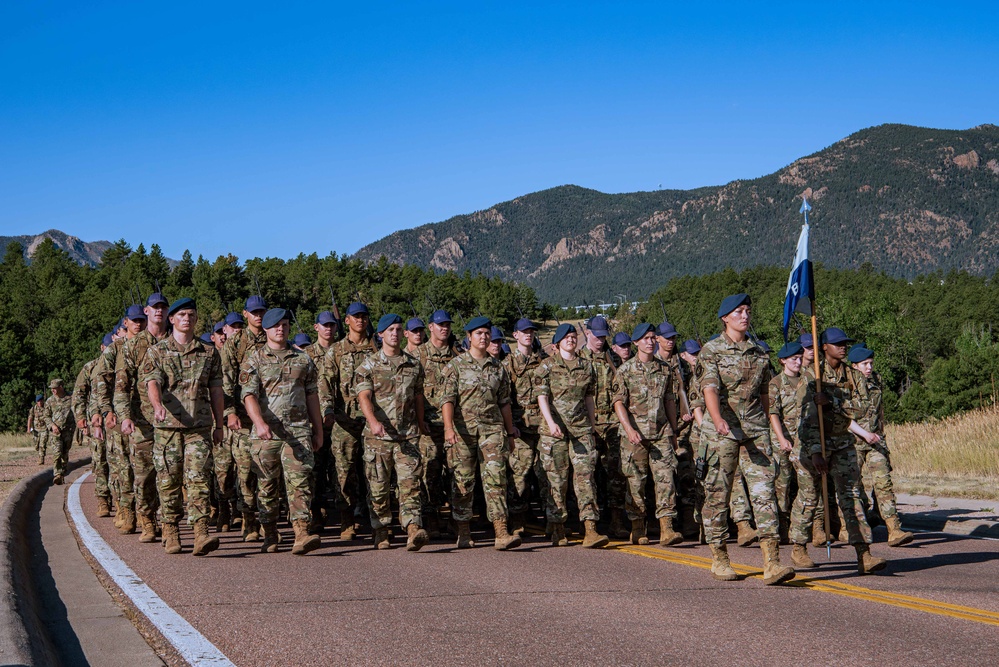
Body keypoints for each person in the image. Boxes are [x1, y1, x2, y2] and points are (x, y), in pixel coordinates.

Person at [698, 294, 794, 585]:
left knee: (764, 494)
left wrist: (769, 423)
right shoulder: (711, 350)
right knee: (718, 495)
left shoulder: (759, 352)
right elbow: (710, 388)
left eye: (748, 311)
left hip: (755, 431)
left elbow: (765, 394)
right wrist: (717, 420)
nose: (745, 315)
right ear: (725, 318)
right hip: (722, 432)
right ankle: (719, 557)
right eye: (738, 311)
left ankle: (772, 562)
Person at [796, 327, 888, 575]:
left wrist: (832, 402)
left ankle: (863, 554)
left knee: (852, 497)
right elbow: (804, 419)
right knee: (809, 499)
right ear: (824, 347)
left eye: (844, 343)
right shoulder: (811, 376)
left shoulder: (853, 374)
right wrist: (815, 451)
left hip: (843, 443)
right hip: (813, 444)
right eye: (837, 344)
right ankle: (798, 546)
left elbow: (861, 408)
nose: (843, 347)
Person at [144, 298, 225, 556]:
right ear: (172, 320)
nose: (186, 319)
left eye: (191, 315)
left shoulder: (209, 352)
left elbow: (216, 389)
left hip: (198, 426)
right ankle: (170, 530)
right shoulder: (157, 351)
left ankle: (201, 532)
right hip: (167, 428)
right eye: (181, 315)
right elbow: (152, 382)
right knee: (169, 481)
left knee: (198, 477)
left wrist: (220, 423)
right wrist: (157, 406)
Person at [241, 308, 324, 555]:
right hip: (266, 435)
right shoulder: (254, 359)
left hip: (297, 432)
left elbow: (312, 396)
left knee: (300, 482)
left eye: (286, 325)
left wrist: (317, 430)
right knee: (267, 486)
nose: (281, 329)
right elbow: (248, 395)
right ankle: (270, 532)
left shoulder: (303, 359)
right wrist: (259, 423)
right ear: (265, 329)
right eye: (276, 325)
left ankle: (301, 532)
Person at [441, 316, 522, 550]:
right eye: (479, 333)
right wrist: (448, 428)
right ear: (469, 337)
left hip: (492, 431)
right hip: (463, 431)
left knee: (496, 479)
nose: (484, 337)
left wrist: (509, 433)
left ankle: (501, 532)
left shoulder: (499, 368)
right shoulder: (455, 366)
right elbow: (447, 400)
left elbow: (504, 402)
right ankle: (463, 531)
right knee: (464, 482)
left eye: (487, 333)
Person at [355, 314, 430, 551]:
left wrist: (421, 423)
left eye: (399, 329)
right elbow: (363, 396)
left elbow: (418, 397)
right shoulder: (368, 366)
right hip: (378, 438)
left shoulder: (413, 365)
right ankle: (381, 531)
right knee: (378, 487)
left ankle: (412, 529)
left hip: (407, 436)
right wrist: (373, 421)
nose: (395, 334)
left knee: (410, 485)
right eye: (390, 330)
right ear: (380, 335)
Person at [535, 323, 608, 548]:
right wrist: (550, 422)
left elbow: (589, 399)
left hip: (580, 430)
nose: (570, 339)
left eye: (573, 336)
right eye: (565, 337)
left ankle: (590, 528)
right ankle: (557, 527)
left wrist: (592, 426)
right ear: (556, 342)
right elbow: (542, 397)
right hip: (554, 431)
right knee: (557, 480)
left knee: (585, 478)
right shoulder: (546, 367)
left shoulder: (587, 367)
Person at [612, 323, 682, 547]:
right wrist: (629, 429)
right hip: (636, 434)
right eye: (645, 338)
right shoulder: (625, 371)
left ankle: (666, 528)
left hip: (661, 432)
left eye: (653, 338)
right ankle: (637, 526)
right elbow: (618, 402)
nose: (650, 342)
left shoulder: (665, 369)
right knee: (636, 482)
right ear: (635, 343)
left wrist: (673, 430)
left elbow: (669, 401)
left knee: (666, 480)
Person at [115, 292, 170, 542]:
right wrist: (124, 416)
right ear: (146, 312)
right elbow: (121, 385)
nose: (159, 311)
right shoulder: (133, 346)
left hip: (175, 421)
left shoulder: (177, 340)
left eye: (163, 307)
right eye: (154, 307)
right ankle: (147, 519)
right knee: (145, 474)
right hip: (143, 420)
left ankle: (170, 523)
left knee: (171, 473)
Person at [849, 344, 913, 547]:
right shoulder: (845, 385)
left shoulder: (876, 381)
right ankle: (856, 528)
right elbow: (842, 417)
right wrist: (864, 434)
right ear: (854, 366)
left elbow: (880, 413)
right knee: (853, 488)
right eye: (864, 364)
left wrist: (879, 436)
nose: (869, 367)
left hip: (875, 441)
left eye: (870, 363)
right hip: (852, 442)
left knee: (883, 483)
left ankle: (894, 528)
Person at [324, 301, 375, 540]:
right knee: (343, 472)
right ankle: (346, 520)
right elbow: (326, 382)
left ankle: (377, 519)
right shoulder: (336, 350)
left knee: (375, 471)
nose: (360, 320)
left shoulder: (377, 348)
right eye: (355, 317)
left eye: (364, 316)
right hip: (344, 420)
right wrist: (327, 411)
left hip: (372, 419)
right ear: (346, 320)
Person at [221, 295, 268, 542]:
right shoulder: (235, 342)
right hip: (242, 418)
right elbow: (226, 380)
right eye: (254, 312)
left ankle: (268, 521)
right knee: (247, 472)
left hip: (270, 416)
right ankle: (249, 520)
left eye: (262, 311)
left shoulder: (274, 337)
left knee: (270, 473)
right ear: (246, 314)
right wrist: (229, 412)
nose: (259, 315)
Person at [96, 304, 147, 534]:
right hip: (119, 416)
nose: (138, 324)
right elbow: (102, 382)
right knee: (123, 467)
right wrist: (106, 411)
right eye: (134, 320)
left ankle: (148, 515)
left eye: (141, 320)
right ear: (125, 322)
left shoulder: (152, 345)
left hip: (146, 417)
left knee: (146, 468)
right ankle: (126, 510)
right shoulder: (114, 349)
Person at [578, 315, 628, 538]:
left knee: (617, 473)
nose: (600, 340)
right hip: (587, 422)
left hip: (612, 422)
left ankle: (616, 521)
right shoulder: (578, 358)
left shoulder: (613, 358)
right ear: (587, 333)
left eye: (603, 336)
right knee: (588, 474)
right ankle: (590, 524)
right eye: (596, 336)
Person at [415, 309, 461, 537]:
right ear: (430, 327)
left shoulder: (458, 355)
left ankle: (456, 518)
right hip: (428, 424)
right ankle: (431, 517)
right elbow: (412, 391)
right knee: (430, 472)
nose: (444, 328)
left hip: (454, 425)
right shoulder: (418, 355)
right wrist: (418, 418)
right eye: (440, 324)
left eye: (447, 325)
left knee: (456, 472)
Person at [503, 317, 548, 534]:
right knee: (519, 475)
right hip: (520, 427)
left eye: (531, 332)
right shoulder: (507, 364)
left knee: (546, 473)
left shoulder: (545, 362)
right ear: (516, 335)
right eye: (524, 332)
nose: (528, 335)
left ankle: (552, 519)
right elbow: (503, 399)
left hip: (543, 426)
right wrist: (510, 426)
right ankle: (517, 520)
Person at [769, 342, 807, 560]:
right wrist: (782, 438)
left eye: (800, 358)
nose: (798, 362)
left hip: (804, 441)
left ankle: (802, 529)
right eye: (793, 359)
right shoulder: (775, 383)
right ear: (783, 360)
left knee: (804, 486)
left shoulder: (807, 381)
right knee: (782, 486)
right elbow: (773, 413)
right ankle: (782, 526)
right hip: (783, 440)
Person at [306, 310, 339, 532]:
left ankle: (345, 513)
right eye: (324, 325)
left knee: (340, 469)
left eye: (332, 325)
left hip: (341, 419)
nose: (328, 328)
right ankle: (315, 511)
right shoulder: (305, 354)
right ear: (316, 327)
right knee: (315, 470)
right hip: (314, 419)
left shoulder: (342, 351)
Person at [74, 339, 110, 516]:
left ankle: (122, 501)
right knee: (100, 460)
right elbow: (79, 393)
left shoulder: (121, 363)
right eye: (107, 346)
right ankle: (103, 499)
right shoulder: (91, 367)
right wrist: (81, 417)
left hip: (117, 420)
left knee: (120, 464)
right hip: (97, 422)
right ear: (102, 347)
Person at [43, 379, 76, 485]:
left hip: (68, 430)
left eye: (55, 388)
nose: (53, 390)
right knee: (57, 452)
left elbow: (78, 409)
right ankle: (57, 474)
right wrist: (52, 426)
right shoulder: (49, 401)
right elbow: (46, 416)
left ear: (61, 387)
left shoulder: (71, 398)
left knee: (65, 452)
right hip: (55, 431)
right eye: (51, 388)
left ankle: (63, 472)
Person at [27, 394, 46, 464]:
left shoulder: (46, 408)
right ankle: (39, 453)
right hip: (36, 430)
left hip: (44, 429)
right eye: (38, 401)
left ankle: (41, 459)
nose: (40, 402)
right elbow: (30, 419)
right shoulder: (34, 409)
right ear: (36, 402)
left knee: (42, 444)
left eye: (41, 401)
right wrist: (28, 429)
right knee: (36, 445)